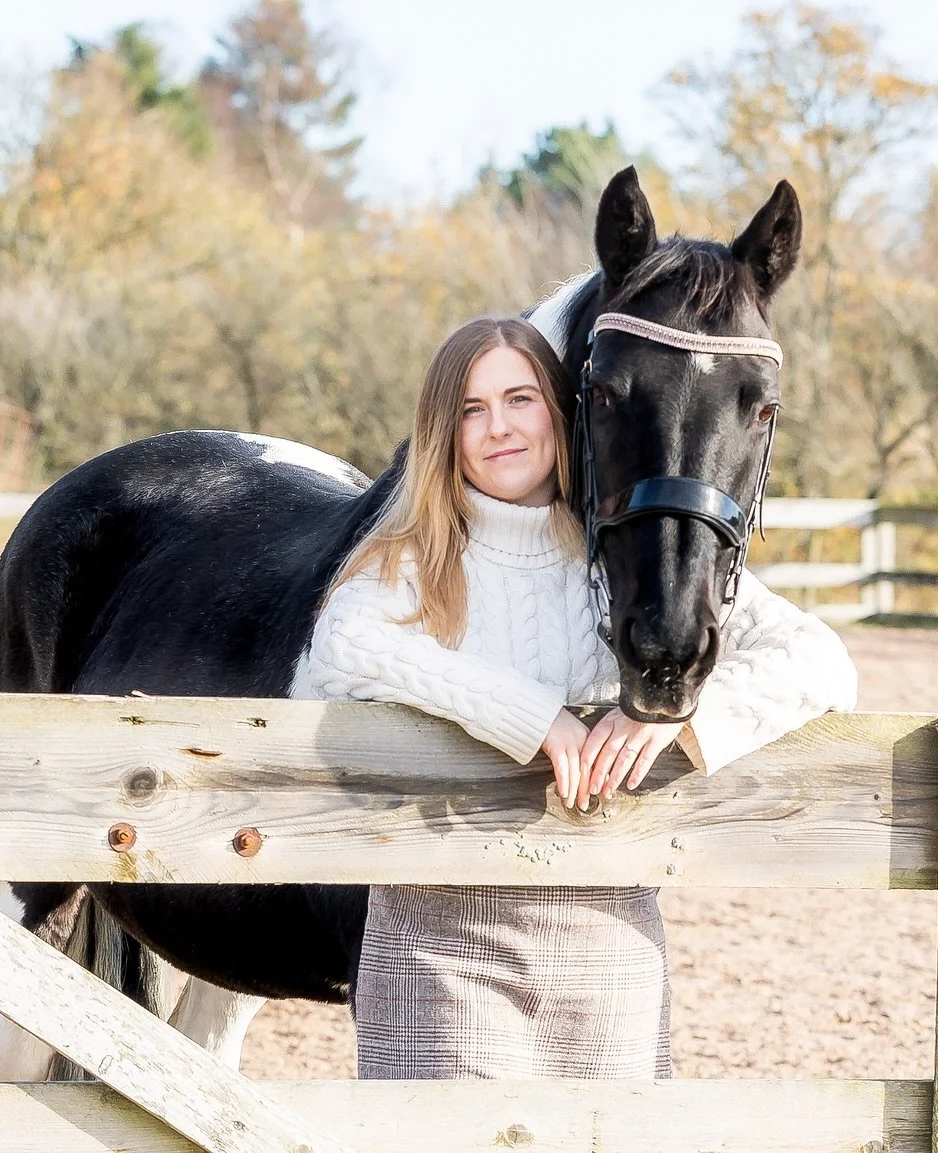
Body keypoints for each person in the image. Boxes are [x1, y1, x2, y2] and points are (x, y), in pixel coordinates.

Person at [289, 316, 857, 1080]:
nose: (499, 427)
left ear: (562, 413)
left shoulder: (623, 559)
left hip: (608, 939)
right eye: (472, 408)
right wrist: (532, 718)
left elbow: (821, 658)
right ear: (445, 431)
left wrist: (674, 709)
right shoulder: (418, 556)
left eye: (520, 399)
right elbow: (344, 645)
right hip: (440, 945)